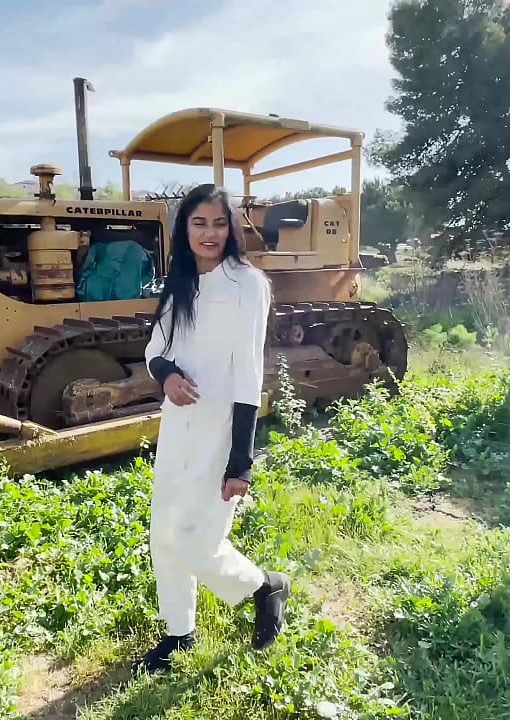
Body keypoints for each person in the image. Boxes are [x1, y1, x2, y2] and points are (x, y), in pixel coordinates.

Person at [135, 183, 291, 675]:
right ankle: (178, 632)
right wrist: (169, 375)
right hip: (179, 423)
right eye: (199, 222)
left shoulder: (248, 284)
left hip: (223, 427)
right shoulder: (180, 279)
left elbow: (249, 373)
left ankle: (264, 585)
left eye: (219, 223)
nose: (209, 233)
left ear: (233, 228)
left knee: (196, 540)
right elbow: (156, 346)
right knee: (164, 532)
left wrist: (240, 460)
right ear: (184, 227)